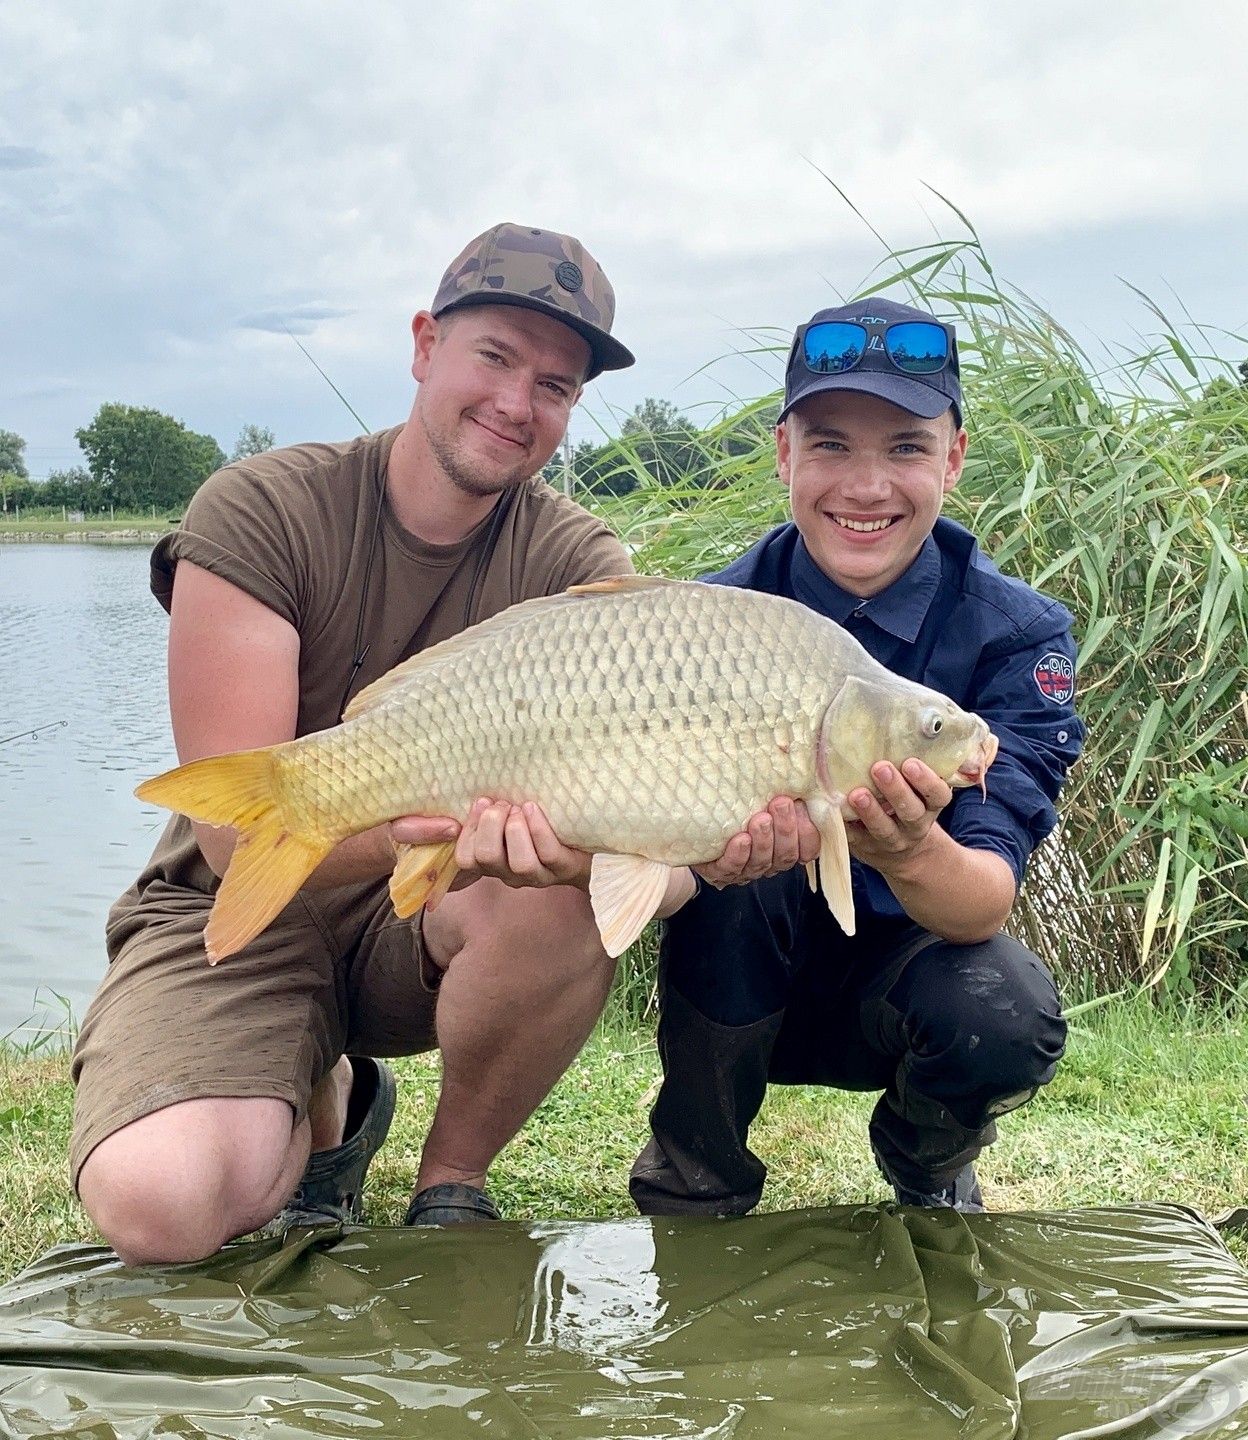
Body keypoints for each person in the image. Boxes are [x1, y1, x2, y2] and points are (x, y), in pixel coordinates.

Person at [70, 223, 653, 1264]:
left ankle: (452, 1181)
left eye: (557, 386)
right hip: (240, 906)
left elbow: (647, 803)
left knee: (561, 897)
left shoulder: (577, 562)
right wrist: (421, 823)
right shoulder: (263, 509)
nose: (520, 405)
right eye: (496, 359)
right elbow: (231, 844)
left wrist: (598, 849)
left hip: (428, 914)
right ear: (425, 345)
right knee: (160, 1208)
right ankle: (318, 1093)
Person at [628, 298, 1084, 1216]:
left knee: (1007, 1013)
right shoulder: (702, 623)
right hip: (740, 975)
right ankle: (696, 1170)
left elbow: (985, 896)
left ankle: (926, 1158)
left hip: (910, 977)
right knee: (744, 870)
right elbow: (652, 868)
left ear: (953, 459)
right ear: (784, 453)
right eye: (831, 445)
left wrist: (907, 848)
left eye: (907, 448)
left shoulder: (1017, 635)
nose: (867, 486)